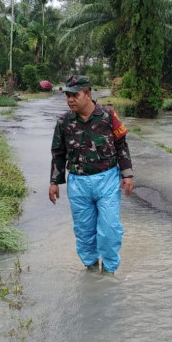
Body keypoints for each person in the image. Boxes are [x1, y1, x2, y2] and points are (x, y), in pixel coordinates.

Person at [49, 75, 134, 275]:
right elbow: (58, 154)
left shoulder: (108, 116)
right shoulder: (64, 122)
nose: (70, 99)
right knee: (84, 231)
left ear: (88, 94)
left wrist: (127, 174)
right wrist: (54, 182)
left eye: (74, 95)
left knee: (110, 229)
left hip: (107, 180)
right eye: (67, 95)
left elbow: (121, 144)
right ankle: (91, 270)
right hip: (78, 183)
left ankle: (109, 273)